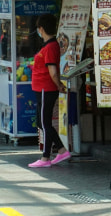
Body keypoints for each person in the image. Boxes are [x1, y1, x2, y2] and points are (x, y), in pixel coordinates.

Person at [28, 13, 70, 168]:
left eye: (38, 29)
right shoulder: (47, 46)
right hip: (41, 88)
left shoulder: (51, 46)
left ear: (41, 29)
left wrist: (58, 85)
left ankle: (46, 157)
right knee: (41, 121)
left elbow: (52, 71)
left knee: (45, 122)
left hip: (46, 88)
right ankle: (61, 149)